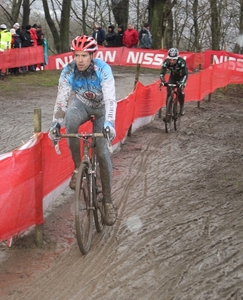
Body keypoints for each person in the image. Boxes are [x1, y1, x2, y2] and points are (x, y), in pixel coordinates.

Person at [48, 35, 117, 226]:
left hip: (102, 109)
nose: (79, 60)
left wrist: (109, 123)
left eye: (84, 56)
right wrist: (55, 123)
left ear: (92, 55)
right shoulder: (68, 71)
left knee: (102, 153)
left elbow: (111, 99)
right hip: (82, 105)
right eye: (77, 55)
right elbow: (62, 101)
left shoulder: (103, 70)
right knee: (69, 121)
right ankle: (78, 167)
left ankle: (109, 202)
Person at [160, 48, 188, 116]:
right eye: (170, 59)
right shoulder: (166, 62)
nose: (172, 61)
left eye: (174, 59)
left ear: (177, 58)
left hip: (182, 76)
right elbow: (162, 73)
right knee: (169, 91)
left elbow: (185, 74)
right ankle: (168, 111)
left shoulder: (181, 62)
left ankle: (182, 106)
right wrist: (163, 81)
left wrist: (182, 82)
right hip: (173, 76)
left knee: (180, 90)